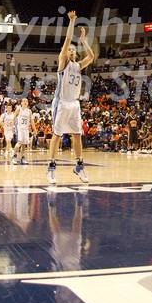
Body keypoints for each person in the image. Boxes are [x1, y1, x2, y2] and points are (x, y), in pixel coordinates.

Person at [46, 11, 95, 185]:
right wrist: (72, 22)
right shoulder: (63, 62)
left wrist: (84, 41)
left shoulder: (78, 66)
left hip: (74, 104)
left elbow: (92, 57)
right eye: (70, 49)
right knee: (57, 135)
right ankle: (51, 168)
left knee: (77, 135)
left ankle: (79, 166)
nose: (72, 50)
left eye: (74, 49)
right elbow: (67, 41)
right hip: (61, 103)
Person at [11, 98, 35, 165]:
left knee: (24, 144)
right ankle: (14, 156)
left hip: (26, 129)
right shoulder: (19, 109)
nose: (25, 102)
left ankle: (22, 157)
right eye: (24, 101)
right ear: (21, 103)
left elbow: (32, 121)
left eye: (26, 101)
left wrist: (34, 129)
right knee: (19, 143)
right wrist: (13, 126)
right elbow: (14, 117)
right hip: (20, 128)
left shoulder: (29, 111)